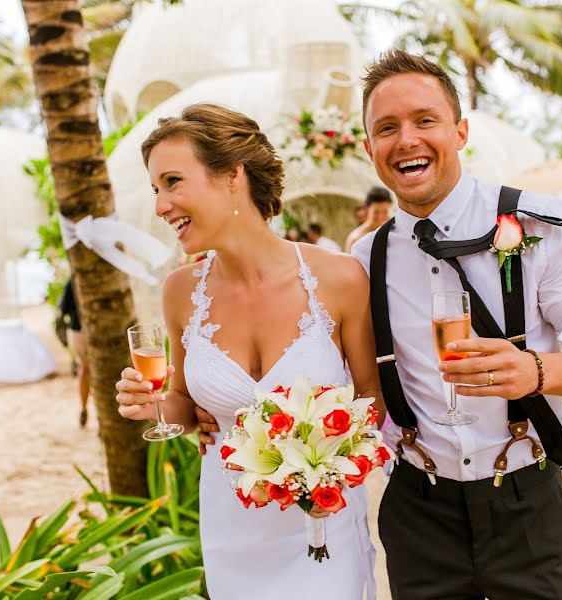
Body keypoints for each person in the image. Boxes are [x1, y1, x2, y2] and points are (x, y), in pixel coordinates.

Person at [195, 50, 562, 599]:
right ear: (369, 148)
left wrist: (536, 371)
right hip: (417, 512)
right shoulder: (362, 262)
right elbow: (316, 374)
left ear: (460, 130)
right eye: (387, 128)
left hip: (527, 506)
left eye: (424, 120)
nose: (405, 139)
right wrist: (211, 401)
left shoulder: (539, 225)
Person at [113, 104, 384, 600]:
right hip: (232, 529)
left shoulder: (340, 278)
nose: (160, 205)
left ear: (232, 175)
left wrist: (335, 471)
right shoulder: (179, 292)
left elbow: (371, 398)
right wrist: (150, 403)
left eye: (173, 181)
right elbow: (181, 402)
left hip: (321, 523)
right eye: (156, 189)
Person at [59, 278, 89, 427]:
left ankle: (84, 408)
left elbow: (63, 308)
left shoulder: (73, 279)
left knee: (84, 370)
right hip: (96, 330)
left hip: (77, 331)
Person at [345, 186, 394, 252]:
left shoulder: (395, 232)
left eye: (385, 212)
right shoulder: (356, 238)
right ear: (367, 210)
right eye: (376, 212)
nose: (381, 216)